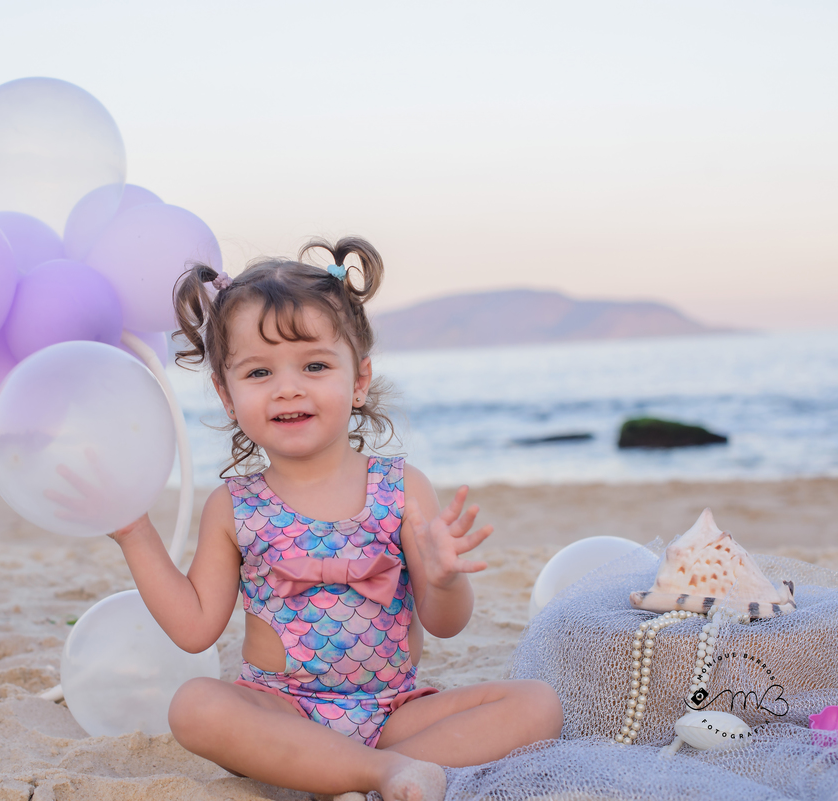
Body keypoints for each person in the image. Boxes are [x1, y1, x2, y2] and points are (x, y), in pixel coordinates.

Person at [107, 237, 563, 801]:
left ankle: (354, 769)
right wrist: (135, 533)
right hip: (282, 714)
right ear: (226, 396)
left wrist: (446, 580)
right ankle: (382, 774)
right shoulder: (233, 505)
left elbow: (446, 624)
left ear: (359, 381)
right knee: (195, 705)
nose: (288, 388)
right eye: (258, 373)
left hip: (393, 714)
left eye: (316, 365)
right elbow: (194, 628)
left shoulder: (402, 488)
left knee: (537, 704)